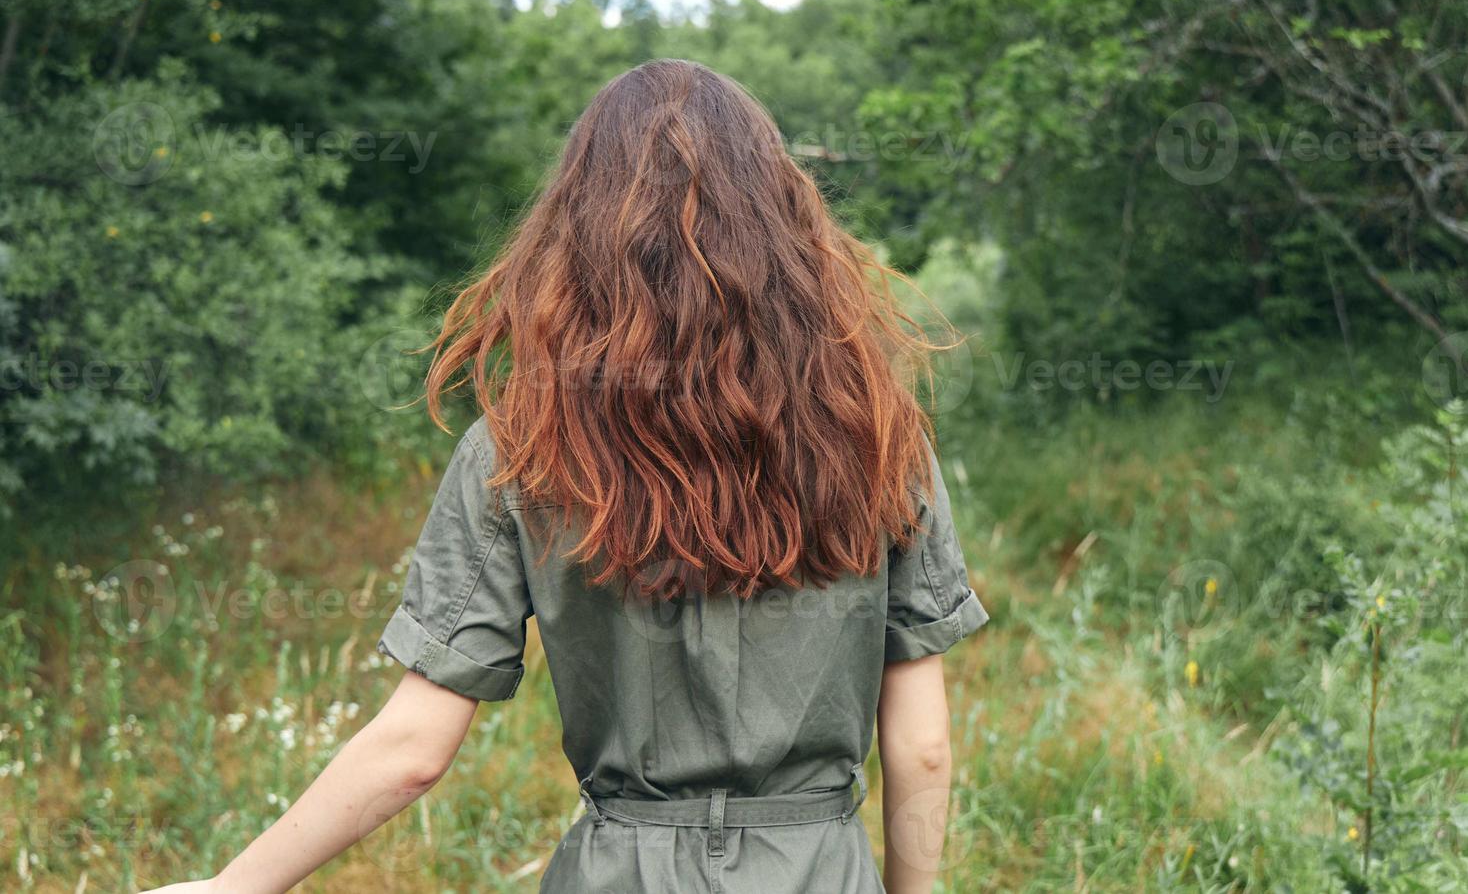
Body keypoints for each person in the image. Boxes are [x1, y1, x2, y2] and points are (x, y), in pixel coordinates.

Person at [144, 58, 988, 894]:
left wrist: (230, 887)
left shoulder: (523, 447)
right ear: (783, 223)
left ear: (578, 229)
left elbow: (411, 752)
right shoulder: (877, 433)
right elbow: (921, 748)